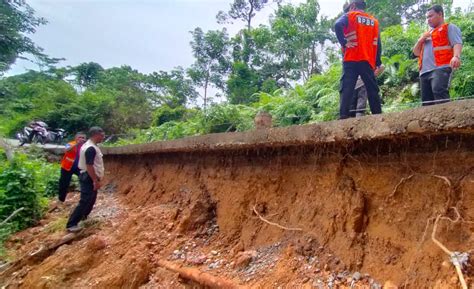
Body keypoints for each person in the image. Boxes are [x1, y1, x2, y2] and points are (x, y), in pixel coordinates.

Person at [335, 0, 383, 119]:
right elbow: (378, 44)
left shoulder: (350, 15)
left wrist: (344, 42)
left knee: (347, 88)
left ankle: (343, 116)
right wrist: (377, 62)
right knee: (372, 88)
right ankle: (377, 115)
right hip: (367, 60)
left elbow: (337, 25)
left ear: (353, 6)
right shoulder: (374, 21)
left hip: (351, 59)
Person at [412, 5, 462, 106]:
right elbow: (416, 53)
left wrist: (456, 56)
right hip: (424, 71)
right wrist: (420, 40)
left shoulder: (449, 27)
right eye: (427, 17)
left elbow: (457, 43)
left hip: (441, 67)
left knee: (439, 91)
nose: (428, 20)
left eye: (431, 16)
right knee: (426, 101)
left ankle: (445, 119)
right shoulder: (426, 34)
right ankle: (429, 121)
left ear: (440, 14)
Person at [66, 127, 105, 233]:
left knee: (91, 199)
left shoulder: (89, 145)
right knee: (85, 200)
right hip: (88, 176)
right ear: (95, 135)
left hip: (88, 176)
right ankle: (72, 224)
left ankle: (84, 217)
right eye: (102, 135)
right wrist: (95, 181)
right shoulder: (90, 148)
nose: (103, 137)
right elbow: (89, 165)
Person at [58, 132, 86, 203]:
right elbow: (66, 150)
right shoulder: (70, 144)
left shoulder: (85, 146)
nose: (81, 139)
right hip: (67, 167)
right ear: (75, 138)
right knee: (64, 183)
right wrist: (76, 144)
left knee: (84, 180)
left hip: (78, 167)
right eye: (79, 137)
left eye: (83, 138)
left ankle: (84, 198)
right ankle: (61, 200)